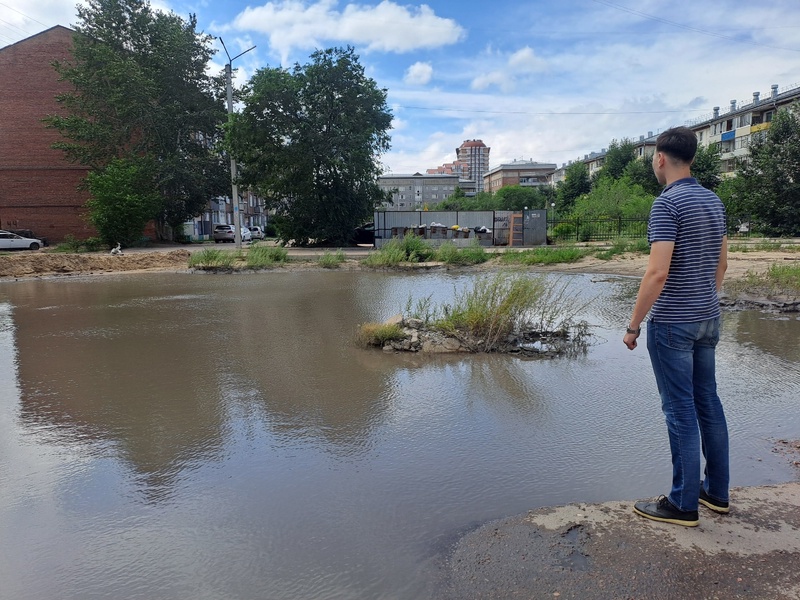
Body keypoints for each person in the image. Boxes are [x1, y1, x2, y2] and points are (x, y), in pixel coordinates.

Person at [623, 126, 730, 527]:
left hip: (672, 324)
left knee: (679, 410)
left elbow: (656, 274)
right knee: (709, 403)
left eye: (653, 156)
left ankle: (682, 504)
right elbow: (721, 265)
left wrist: (634, 325)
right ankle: (716, 492)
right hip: (708, 318)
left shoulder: (667, 205)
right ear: (693, 159)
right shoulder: (713, 201)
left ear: (661, 158)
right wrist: (706, 301)